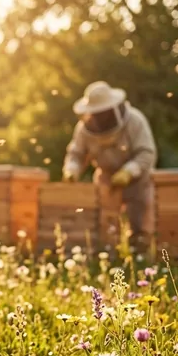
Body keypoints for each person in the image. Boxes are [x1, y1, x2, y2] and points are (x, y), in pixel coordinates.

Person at [62, 81, 157, 253]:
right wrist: (72, 170)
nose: (99, 117)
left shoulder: (135, 120)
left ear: (113, 108)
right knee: (104, 225)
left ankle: (140, 259)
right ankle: (107, 255)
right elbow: (76, 154)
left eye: (103, 112)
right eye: (95, 113)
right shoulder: (84, 129)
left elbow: (146, 153)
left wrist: (129, 171)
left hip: (137, 180)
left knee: (140, 224)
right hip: (105, 178)